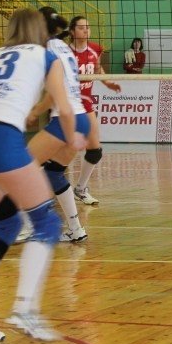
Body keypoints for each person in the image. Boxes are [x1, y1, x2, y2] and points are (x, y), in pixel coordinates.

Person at [0, 8, 83, 343]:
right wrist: (73, 138)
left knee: (7, 222)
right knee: (47, 223)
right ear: (40, 30)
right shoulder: (46, 55)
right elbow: (65, 107)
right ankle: (25, 309)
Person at [22, 7, 91, 243]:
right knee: (53, 174)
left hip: (64, 118)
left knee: (22, 167)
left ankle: (25, 225)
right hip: (81, 118)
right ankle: (76, 229)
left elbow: (54, 92)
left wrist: (34, 111)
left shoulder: (45, 50)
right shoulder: (63, 46)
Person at [68, 16, 121, 205]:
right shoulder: (64, 52)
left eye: (88, 27)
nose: (86, 30)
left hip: (86, 105)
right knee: (60, 152)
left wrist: (108, 83)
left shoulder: (95, 49)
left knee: (95, 151)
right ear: (72, 31)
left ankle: (80, 188)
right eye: (81, 27)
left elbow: (98, 69)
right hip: (67, 105)